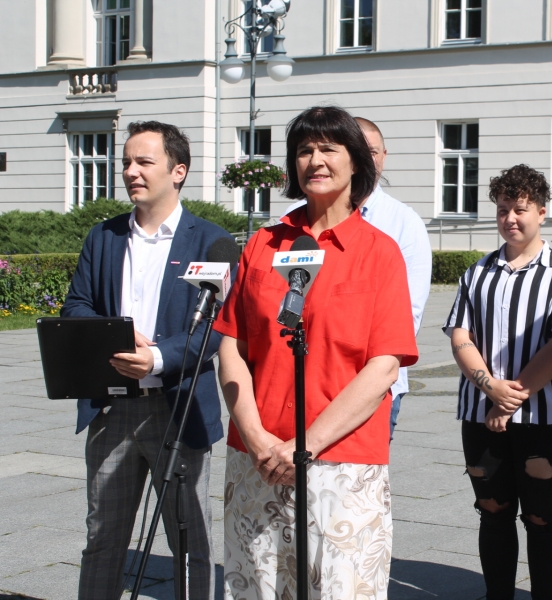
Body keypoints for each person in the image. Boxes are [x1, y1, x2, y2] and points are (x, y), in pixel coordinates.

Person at [214, 106, 418, 600]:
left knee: (341, 590)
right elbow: (232, 345)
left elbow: (384, 365)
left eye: (329, 148)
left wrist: (305, 445)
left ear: (357, 162)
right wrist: (257, 437)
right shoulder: (264, 244)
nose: (315, 160)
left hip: (341, 460)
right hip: (259, 457)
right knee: (259, 589)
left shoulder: (380, 252)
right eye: (304, 150)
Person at [62, 121, 228, 599]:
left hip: (177, 409)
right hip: (111, 406)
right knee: (102, 537)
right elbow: (76, 306)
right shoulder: (104, 236)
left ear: (178, 171)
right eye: (126, 163)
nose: (131, 172)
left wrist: (156, 357)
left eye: (144, 162)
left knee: (190, 541)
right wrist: (111, 334)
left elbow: (217, 327)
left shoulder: (211, 241)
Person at [444, 164, 552, 600]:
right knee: (493, 511)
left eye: (520, 209)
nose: (510, 218)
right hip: (480, 414)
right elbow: (460, 336)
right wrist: (490, 388)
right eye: (503, 209)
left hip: (544, 418)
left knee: (542, 515)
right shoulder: (477, 273)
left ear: (541, 212)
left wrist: (510, 398)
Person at [283, 116, 432, 440]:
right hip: (291, 386)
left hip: (363, 386)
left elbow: (407, 316)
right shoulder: (285, 226)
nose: (317, 160)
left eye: (373, 152)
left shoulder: (402, 224)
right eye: (306, 151)